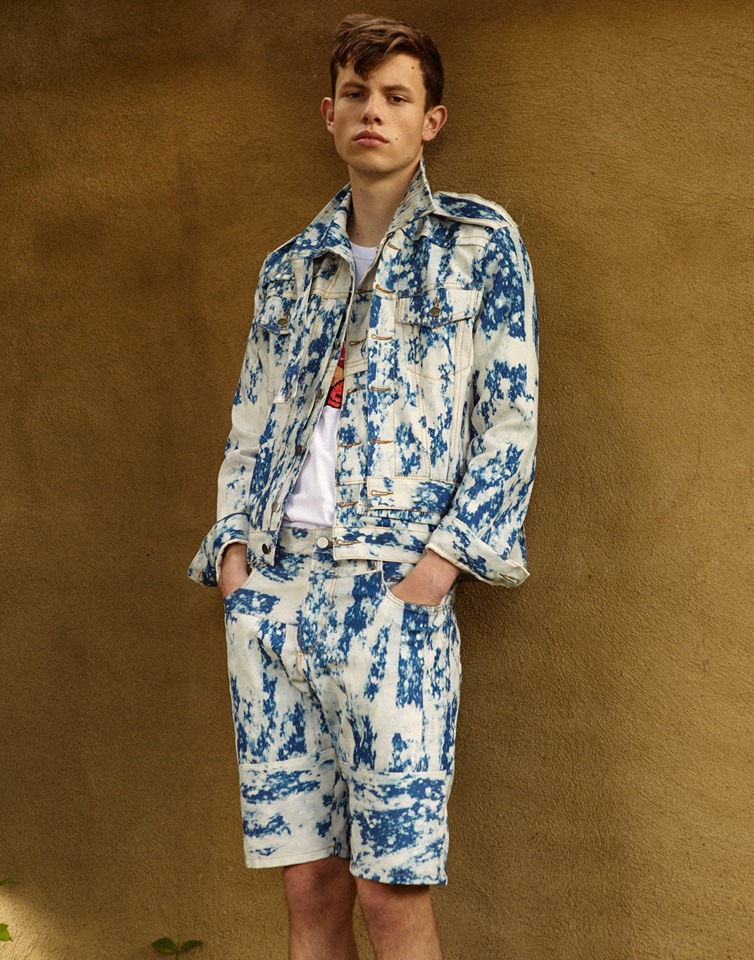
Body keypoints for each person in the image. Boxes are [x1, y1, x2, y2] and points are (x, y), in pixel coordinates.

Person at [189, 13, 538, 960]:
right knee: (310, 889)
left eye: (395, 96)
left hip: (391, 593)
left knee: (391, 893)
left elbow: (509, 420)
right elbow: (251, 421)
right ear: (329, 113)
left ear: (431, 120)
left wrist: (440, 566)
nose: (372, 112)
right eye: (356, 94)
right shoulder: (288, 267)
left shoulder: (478, 242)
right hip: (275, 589)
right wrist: (235, 557)